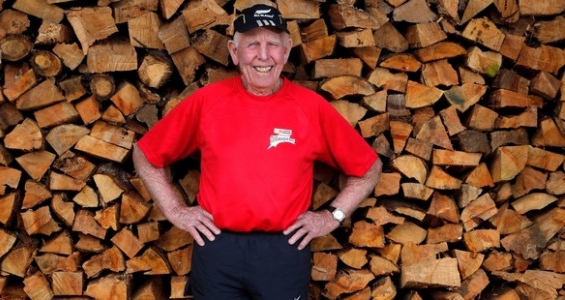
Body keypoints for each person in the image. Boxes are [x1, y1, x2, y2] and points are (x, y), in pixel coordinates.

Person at [132, 3, 382, 299]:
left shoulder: (310, 108)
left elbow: (368, 169)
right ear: (234, 52)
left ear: (287, 51)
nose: (263, 55)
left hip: (284, 251)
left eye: (272, 44)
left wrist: (332, 216)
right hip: (217, 249)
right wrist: (175, 211)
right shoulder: (207, 103)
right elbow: (145, 155)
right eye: (252, 44)